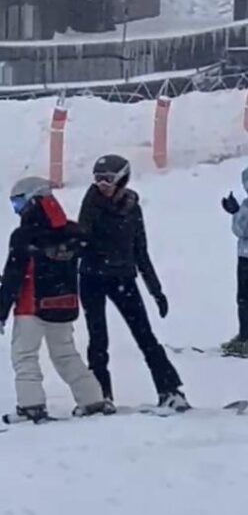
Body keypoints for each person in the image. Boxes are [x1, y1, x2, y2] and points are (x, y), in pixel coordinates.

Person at [0, 177, 114, 424]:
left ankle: (31, 406)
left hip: (31, 307)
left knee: (25, 356)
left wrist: (0, 310)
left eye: (18, 204)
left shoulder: (24, 235)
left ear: (32, 201)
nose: (17, 211)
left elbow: (13, 274)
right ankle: (92, 399)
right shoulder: (73, 231)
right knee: (66, 354)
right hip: (65, 304)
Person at [78, 154, 189, 410]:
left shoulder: (131, 208)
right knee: (98, 339)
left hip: (123, 278)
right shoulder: (91, 203)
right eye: (97, 179)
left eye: (107, 179)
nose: (102, 184)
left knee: (145, 336)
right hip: (92, 278)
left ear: (122, 179)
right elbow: (81, 240)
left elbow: (141, 251)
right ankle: (100, 395)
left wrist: (156, 291)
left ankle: (170, 390)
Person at [221, 167, 248, 357]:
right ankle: (244, 335)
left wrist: (236, 212)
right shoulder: (246, 204)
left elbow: (243, 230)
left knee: (245, 299)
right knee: (243, 299)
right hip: (244, 256)